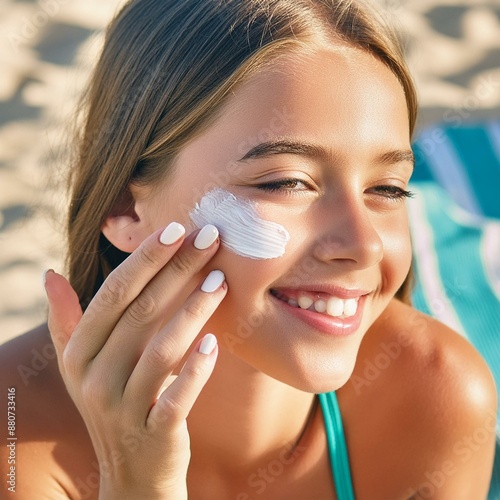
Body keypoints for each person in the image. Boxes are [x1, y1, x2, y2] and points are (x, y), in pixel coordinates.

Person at [0, 0, 497, 498]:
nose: (364, 245)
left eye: (387, 189)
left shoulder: (438, 398)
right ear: (126, 208)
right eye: (285, 182)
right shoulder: (16, 430)